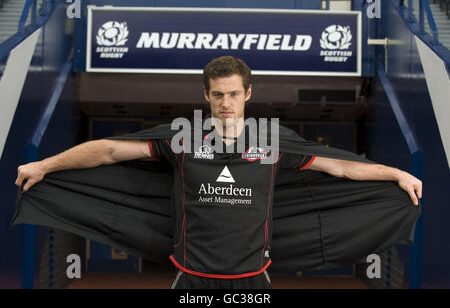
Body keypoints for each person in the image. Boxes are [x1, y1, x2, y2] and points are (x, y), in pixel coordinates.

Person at [15, 56, 422, 289]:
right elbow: (106, 151)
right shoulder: (183, 138)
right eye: (217, 95)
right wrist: (43, 165)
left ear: (248, 93)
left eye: (233, 94)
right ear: (205, 95)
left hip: (251, 280)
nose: (225, 103)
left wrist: (396, 174)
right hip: (191, 278)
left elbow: (340, 167)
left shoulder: (272, 142)